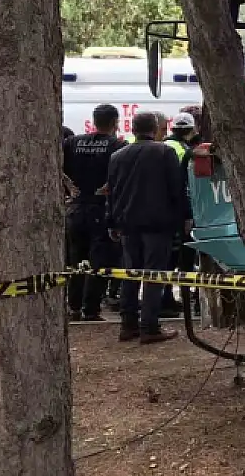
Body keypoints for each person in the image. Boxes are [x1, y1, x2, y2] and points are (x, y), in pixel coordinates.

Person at [106, 111, 189, 344]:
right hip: (157, 223)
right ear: (155, 129)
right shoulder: (165, 152)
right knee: (154, 274)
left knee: (130, 274)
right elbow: (177, 189)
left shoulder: (117, 156)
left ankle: (128, 325)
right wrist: (184, 217)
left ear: (133, 129)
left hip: (128, 224)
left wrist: (111, 221)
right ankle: (149, 327)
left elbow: (112, 192)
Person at [63, 105, 126, 322]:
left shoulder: (72, 142)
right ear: (115, 122)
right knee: (99, 261)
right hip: (101, 208)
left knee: (75, 260)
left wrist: (68, 185)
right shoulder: (117, 145)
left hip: (75, 208)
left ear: (94, 120)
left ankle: (73, 307)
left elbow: (53, 162)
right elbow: (120, 175)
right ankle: (90, 309)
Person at [160, 111, 200, 316]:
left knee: (166, 259)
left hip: (163, 212)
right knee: (185, 259)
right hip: (179, 212)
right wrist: (188, 215)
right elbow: (185, 187)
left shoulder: (163, 146)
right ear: (192, 130)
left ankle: (166, 298)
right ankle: (184, 299)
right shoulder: (184, 150)